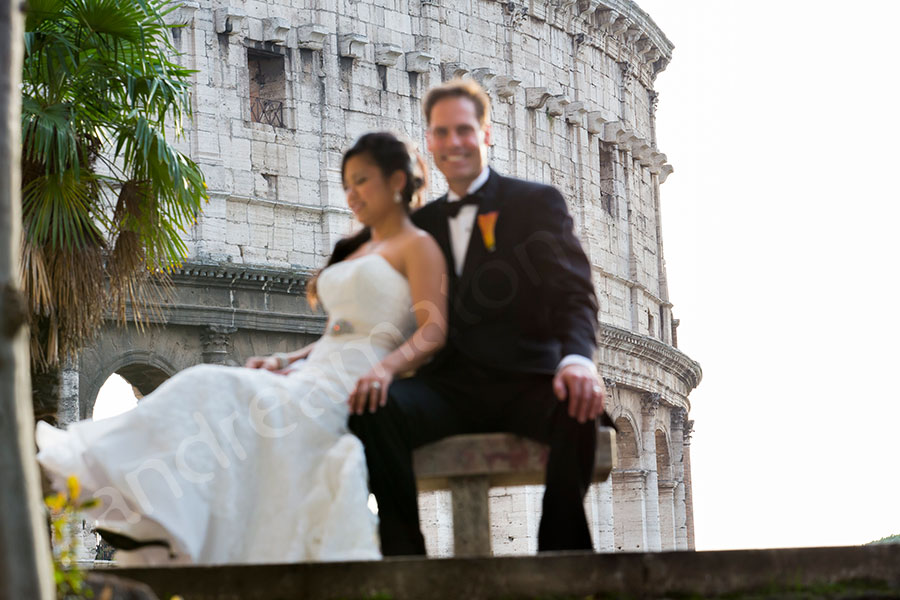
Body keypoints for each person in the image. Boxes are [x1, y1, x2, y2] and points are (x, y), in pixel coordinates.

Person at [36, 132, 449, 565]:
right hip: (317, 369)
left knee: (216, 390)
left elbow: (432, 329)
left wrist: (387, 370)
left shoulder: (418, 245)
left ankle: (154, 514)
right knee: (204, 385)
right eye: (346, 183)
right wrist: (286, 359)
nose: (351, 194)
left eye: (362, 181)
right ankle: (130, 497)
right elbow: (338, 332)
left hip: (357, 377)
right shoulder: (359, 247)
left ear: (398, 180)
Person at [349, 79, 609, 556]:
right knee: (374, 406)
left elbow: (574, 294)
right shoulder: (418, 227)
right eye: (442, 133)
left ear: (486, 134)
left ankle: (561, 552)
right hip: (448, 387)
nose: (453, 144)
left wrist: (577, 359)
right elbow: (392, 315)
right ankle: (404, 558)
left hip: (528, 378)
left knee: (579, 403)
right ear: (429, 141)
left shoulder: (536, 203)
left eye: (464, 130)